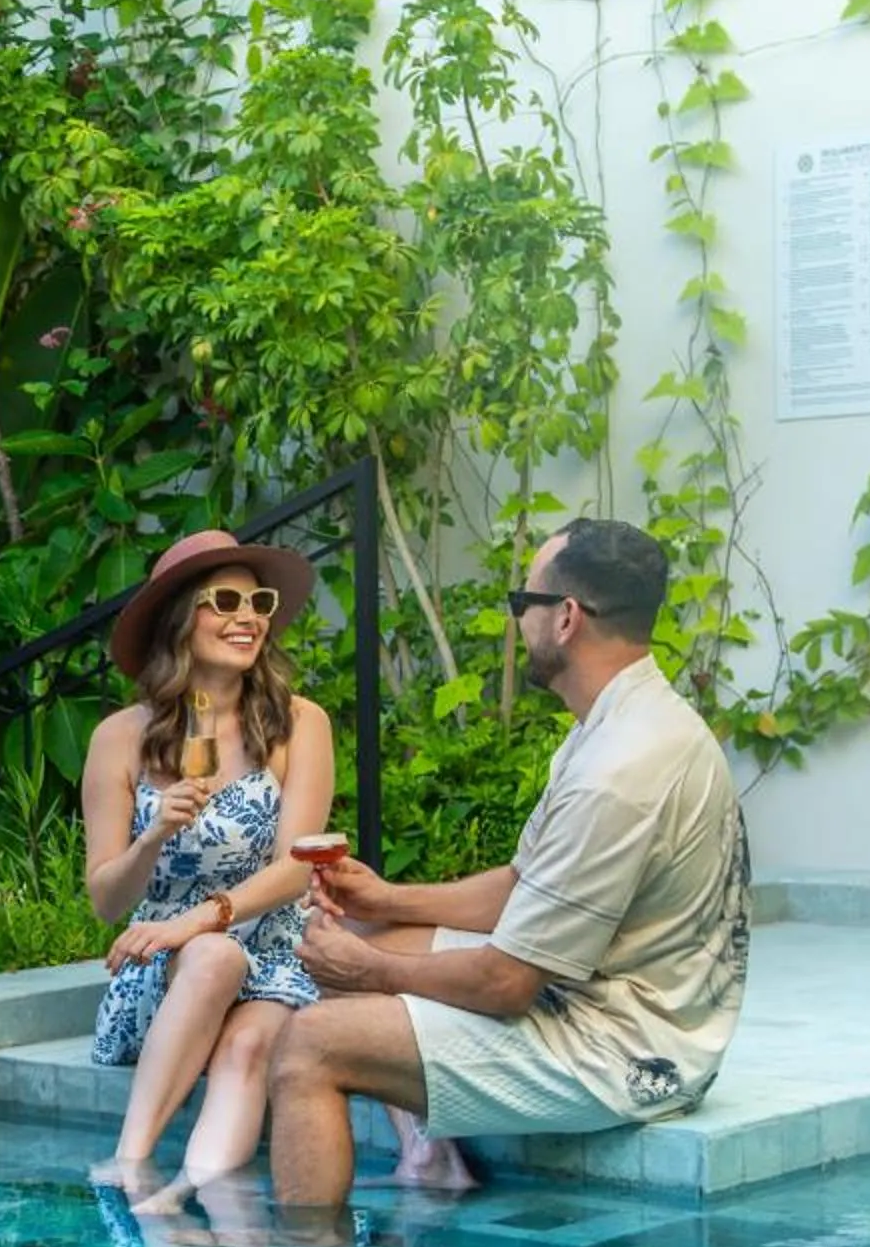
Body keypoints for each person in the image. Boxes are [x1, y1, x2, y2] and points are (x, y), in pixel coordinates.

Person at [255, 517, 753, 1210]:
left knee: (310, 1043)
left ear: (568, 618)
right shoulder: (620, 723)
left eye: (524, 604)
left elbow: (507, 982)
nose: (518, 622)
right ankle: (432, 1161)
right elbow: (523, 888)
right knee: (373, 942)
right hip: (613, 1000)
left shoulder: (619, 770)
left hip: (634, 1052)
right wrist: (388, 901)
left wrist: (369, 972)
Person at [79, 528, 333, 1199]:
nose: (248, 618)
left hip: (274, 954)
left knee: (248, 1046)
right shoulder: (120, 738)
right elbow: (107, 900)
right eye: (224, 601)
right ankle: (130, 1165)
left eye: (258, 604)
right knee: (215, 958)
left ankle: (190, 1201)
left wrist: (202, 919)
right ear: (179, 620)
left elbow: (296, 868)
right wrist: (152, 837)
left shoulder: (299, 723)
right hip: (162, 969)